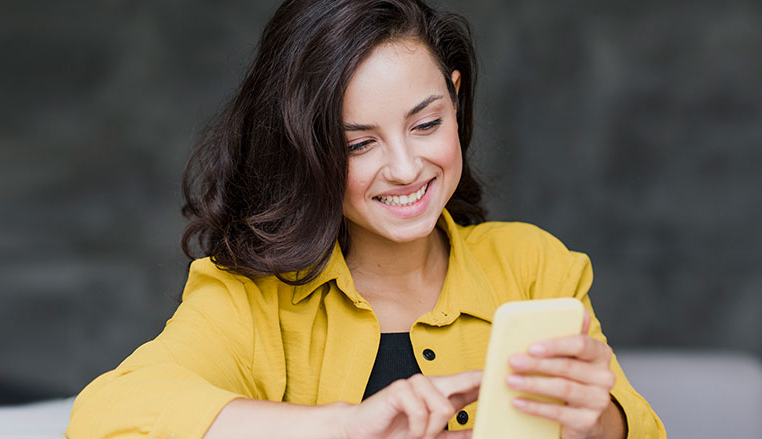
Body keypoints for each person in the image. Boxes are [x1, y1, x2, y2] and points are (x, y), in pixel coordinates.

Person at [67, 0, 666, 438]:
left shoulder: (533, 267)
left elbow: (637, 426)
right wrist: (343, 427)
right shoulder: (250, 300)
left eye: (426, 124)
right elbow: (107, 417)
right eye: (358, 144)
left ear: (455, 97)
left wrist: (599, 423)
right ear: (304, 148)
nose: (406, 169)